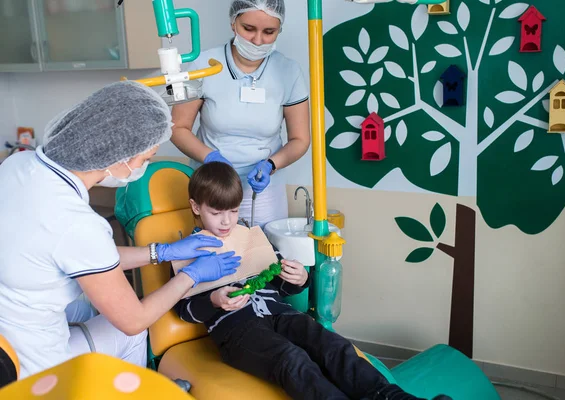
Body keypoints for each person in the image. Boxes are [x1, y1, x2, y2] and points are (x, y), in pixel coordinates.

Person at [0, 81, 241, 378]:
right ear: (121, 155)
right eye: (146, 159)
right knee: (130, 335)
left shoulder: (17, 164)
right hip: (35, 369)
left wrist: (160, 252)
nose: (144, 166)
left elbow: (83, 255)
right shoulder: (76, 222)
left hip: (9, 325)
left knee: (90, 308)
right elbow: (134, 319)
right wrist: (190, 277)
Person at [175, 162, 446, 400]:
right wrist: (214, 299)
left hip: (280, 315)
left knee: (333, 346)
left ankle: (392, 398)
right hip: (237, 330)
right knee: (291, 359)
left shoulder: (250, 238)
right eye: (217, 212)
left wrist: (298, 278)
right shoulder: (185, 252)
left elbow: (282, 283)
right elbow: (183, 309)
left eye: (233, 211)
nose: (226, 221)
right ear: (196, 207)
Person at [171, 0, 310, 228]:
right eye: (248, 29)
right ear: (233, 23)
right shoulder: (204, 65)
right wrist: (210, 157)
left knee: (265, 256)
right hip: (212, 186)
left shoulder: (288, 72)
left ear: (280, 29)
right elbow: (177, 128)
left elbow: (300, 139)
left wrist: (271, 165)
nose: (257, 40)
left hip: (263, 190)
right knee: (214, 255)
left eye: (269, 32)